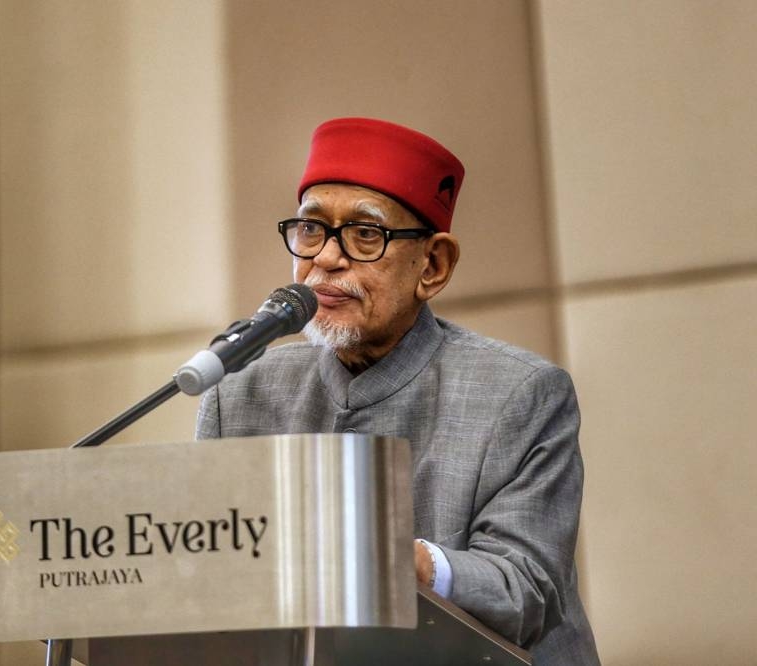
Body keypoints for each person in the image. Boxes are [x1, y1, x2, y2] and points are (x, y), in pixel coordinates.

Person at [196, 117, 600, 664]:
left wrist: (407, 562)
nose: (327, 258)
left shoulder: (520, 394)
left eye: (366, 234)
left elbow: (525, 588)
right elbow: (212, 588)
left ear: (432, 266)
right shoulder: (239, 393)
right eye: (311, 229)